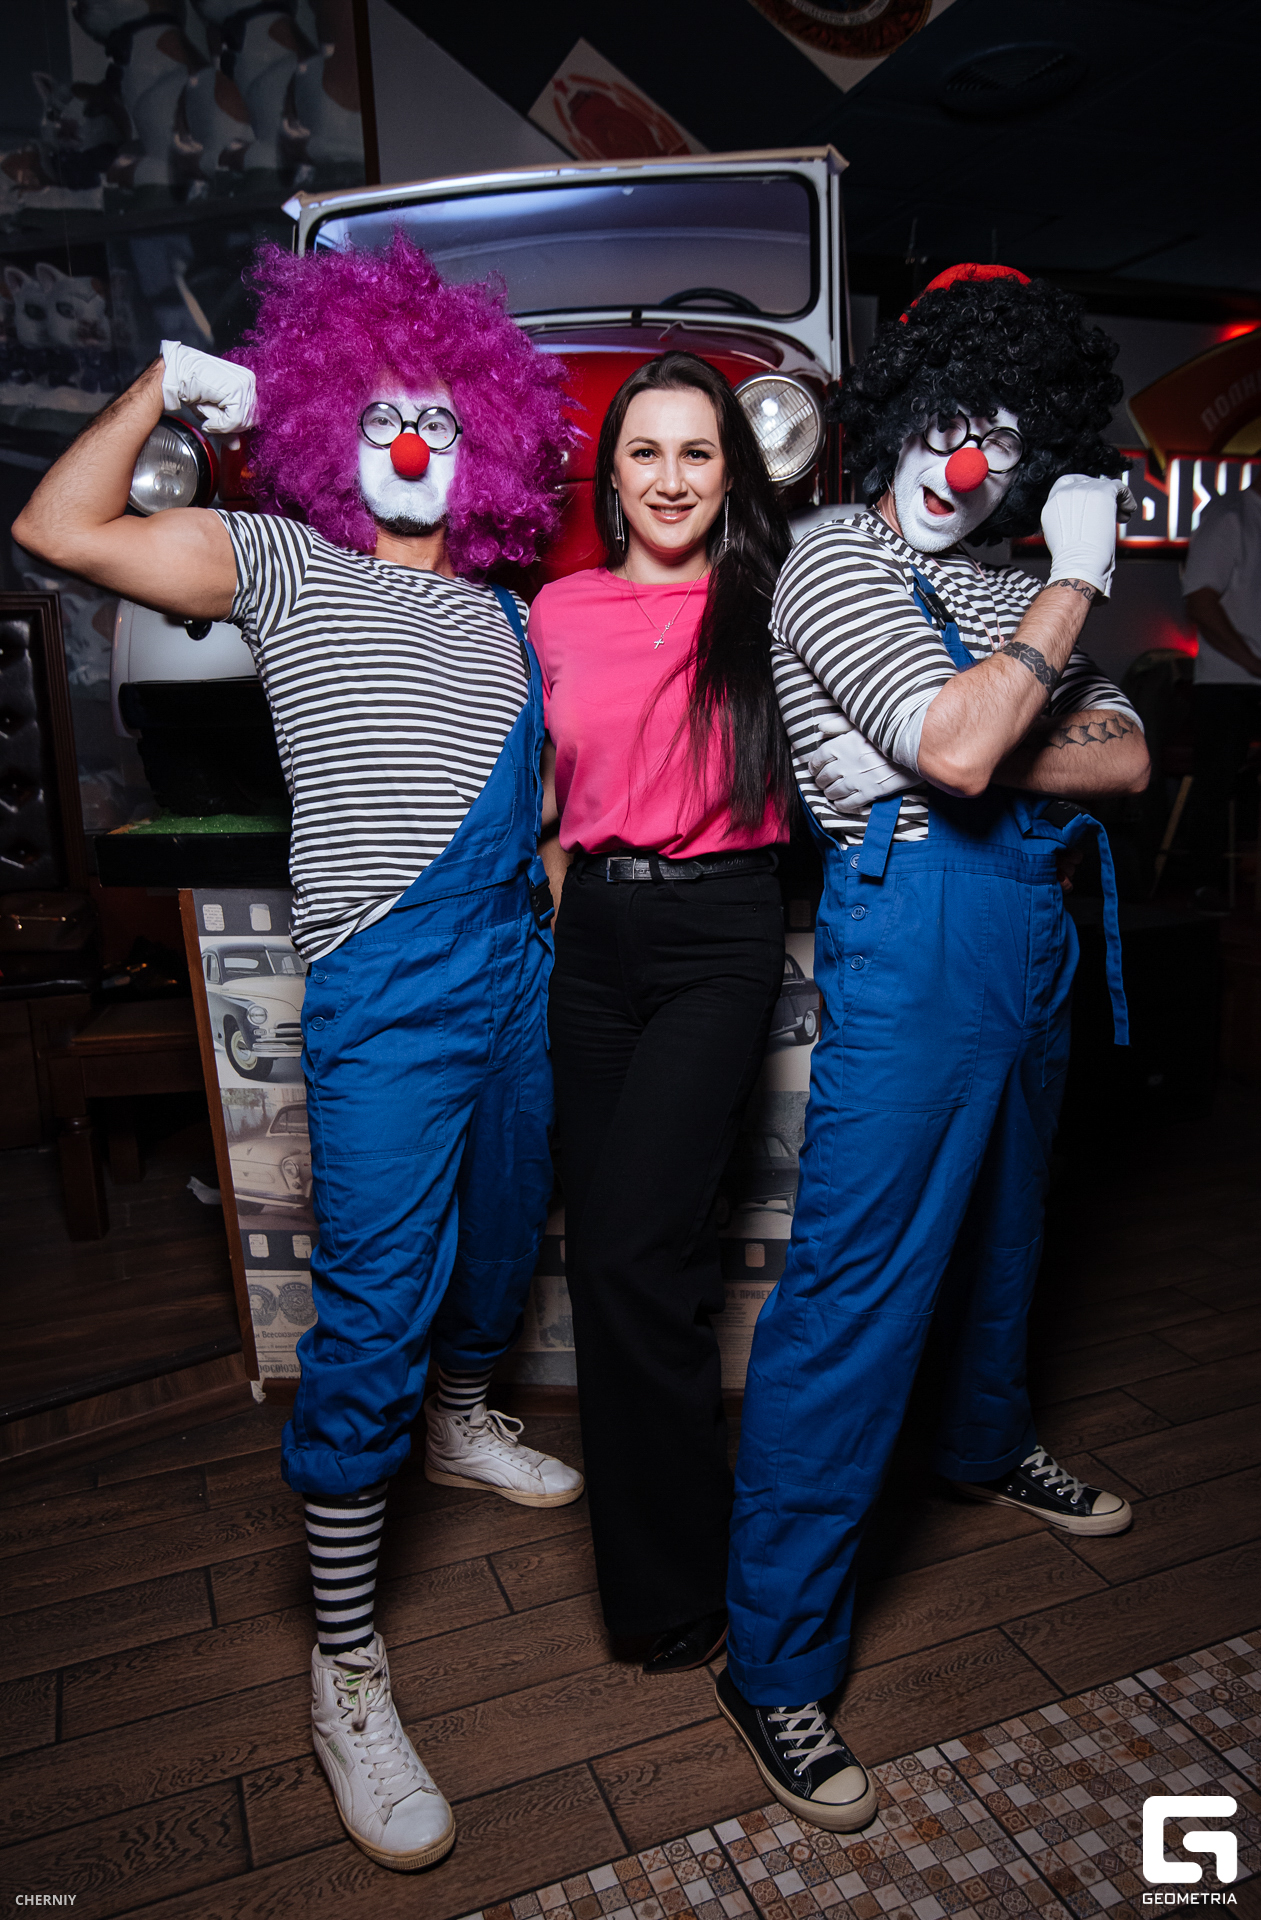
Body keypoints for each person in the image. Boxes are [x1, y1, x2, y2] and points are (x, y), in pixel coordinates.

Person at [13, 233, 584, 1874]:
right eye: (382, 412)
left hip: (511, 972)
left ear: (485, 444)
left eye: (440, 416)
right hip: (385, 996)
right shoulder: (280, 564)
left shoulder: (510, 617)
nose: (412, 440)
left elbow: (544, 816)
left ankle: (462, 1420)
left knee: (502, 1239)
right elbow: (56, 528)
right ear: (339, 429)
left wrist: (550, 945)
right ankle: (344, 1672)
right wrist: (168, 384)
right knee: (374, 1313)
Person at [716, 266, 1151, 1832]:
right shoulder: (835, 557)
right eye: (957, 418)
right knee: (856, 1291)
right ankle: (771, 1656)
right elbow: (961, 751)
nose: (971, 460)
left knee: (1012, 1229)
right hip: (913, 930)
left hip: (1032, 926)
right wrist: (1067, 601)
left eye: (1008, 439)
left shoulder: (1001, 592)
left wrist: (999, 708)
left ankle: (984, 1446)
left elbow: (1127, 754)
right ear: (907, 410)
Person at [530, 351, 793, 1674]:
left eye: (698, 451)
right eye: (646, 451)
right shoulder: (556, 610)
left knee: (634, 1253)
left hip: (719, 932)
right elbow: (535, 793)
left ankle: (685, 1579)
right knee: (619, 1260)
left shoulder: (775, 603)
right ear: (612, 474)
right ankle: (664, 1579)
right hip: (593, 938)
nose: (671, 477)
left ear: (731, 473)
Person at [1181, 476, 1261, 907]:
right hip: (1229, 681)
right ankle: (1203, 883)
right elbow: (1200, 601)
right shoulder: (1231, 514)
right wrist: (1252, 661)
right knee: (1216, 782)